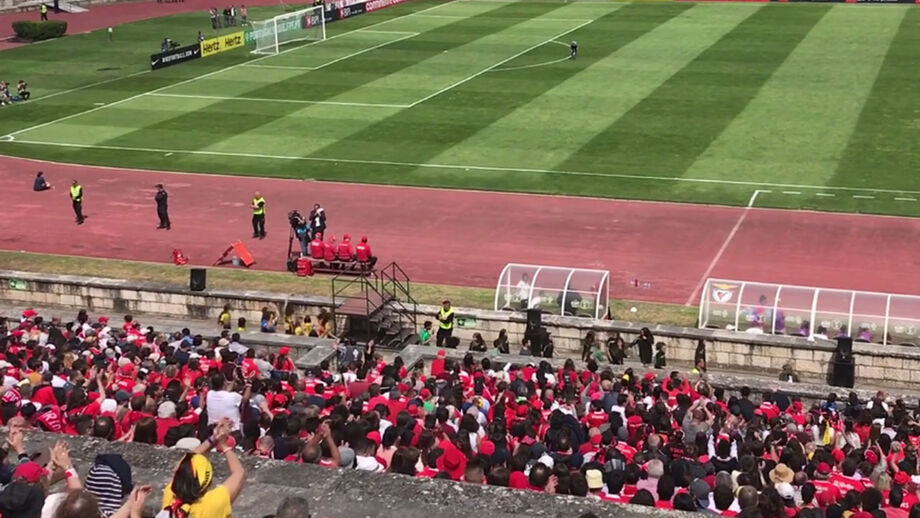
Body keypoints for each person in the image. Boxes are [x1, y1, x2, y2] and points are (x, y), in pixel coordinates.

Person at [161, 418, 245, 518]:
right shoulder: (212, 504)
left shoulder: (170, 497)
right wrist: (223, 444)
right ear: (208, 483)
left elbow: (183, 464)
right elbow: (239, 473)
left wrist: (213, 438)